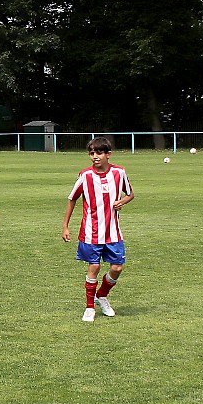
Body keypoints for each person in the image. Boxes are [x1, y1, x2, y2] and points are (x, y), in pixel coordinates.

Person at [62, 136, 134, 322]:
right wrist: (65, 226)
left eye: (99, 153)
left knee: (117, 268)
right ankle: (89, 308)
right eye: (92, 153)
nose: (95, 156)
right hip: (90, 232)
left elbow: (130, 194)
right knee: (93, 266)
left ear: (108, 154)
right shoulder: (85, 176)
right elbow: (72, 199)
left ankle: (101, 295)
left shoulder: (119, 173)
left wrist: (122, 201)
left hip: (113, 232)